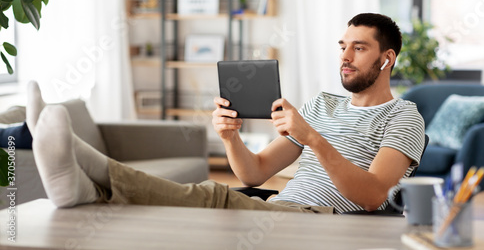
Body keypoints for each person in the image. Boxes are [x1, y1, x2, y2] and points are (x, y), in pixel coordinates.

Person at [28, 13, 424, 214]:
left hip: (319, 217)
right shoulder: (322, 104)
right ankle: (86, 190)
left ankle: (86, 168)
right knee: (194, 211)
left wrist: (314, 140)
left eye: (359, 48)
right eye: (342, 46)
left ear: (387, 59)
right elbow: (254, 173)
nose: (344, 57)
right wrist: (230, 136)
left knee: (208, 196)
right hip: (277, 209)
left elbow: (374, 196)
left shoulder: (404, 117)